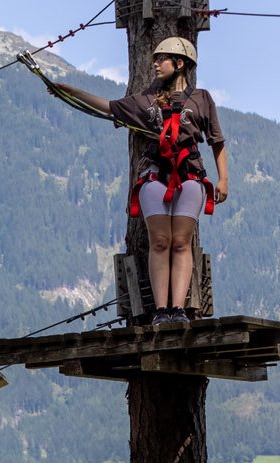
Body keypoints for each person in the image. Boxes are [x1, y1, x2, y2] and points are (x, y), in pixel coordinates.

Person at [48, 37, 228, 325]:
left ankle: (178, 309)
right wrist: (67, 91)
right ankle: (160, 310)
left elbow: (217, 141)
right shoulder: (144, 100)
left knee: (181, 242)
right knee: (160, 241)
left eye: (162, 60)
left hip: (190, 175)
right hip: (154, 175)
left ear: (179, 64)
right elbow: (106, 106)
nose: (155, 65)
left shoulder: (202, 99)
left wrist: (223, 180)